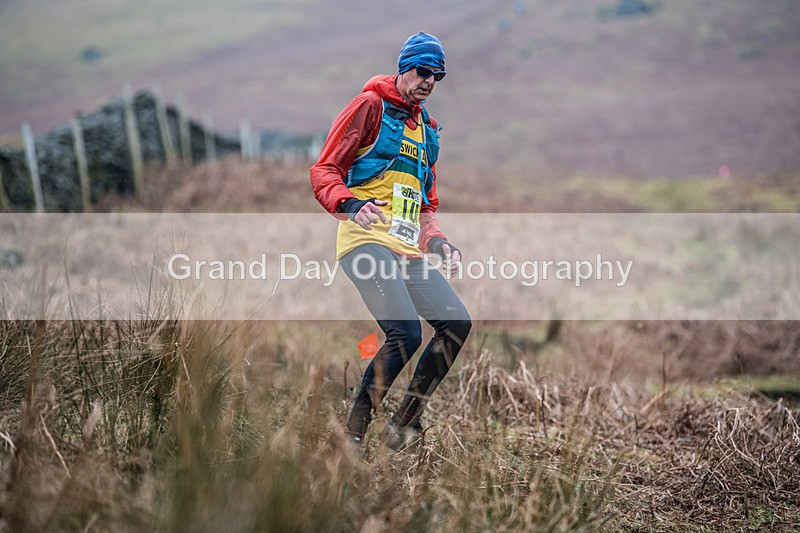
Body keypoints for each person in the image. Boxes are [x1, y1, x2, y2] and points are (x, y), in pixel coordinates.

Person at [310, 32, 471, 448]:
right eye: (423, 71)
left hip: (405, 248)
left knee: (456, 324)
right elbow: (324, 170)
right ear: (405, 68)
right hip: (364, 242)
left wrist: (437, 242)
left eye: (438, 75)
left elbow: (426, 206)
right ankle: (352, 437)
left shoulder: (428, 130)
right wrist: (348, 204)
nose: (430, 81)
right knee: (406, 333)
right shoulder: (369, 107)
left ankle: (403, 424)